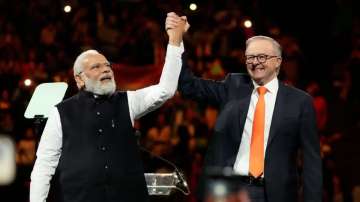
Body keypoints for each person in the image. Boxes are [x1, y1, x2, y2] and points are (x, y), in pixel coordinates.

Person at [166, 12, 322, 202]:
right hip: (231, 192)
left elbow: (312, 161)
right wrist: (177, 39)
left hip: (275, 195)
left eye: (262, 57)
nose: (255, 62)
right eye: (250, 57)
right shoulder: (233, 87)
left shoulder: (300, 102)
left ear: (278, 62)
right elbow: (188, 85)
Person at [30, 17, 189, 202]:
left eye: (107, 65)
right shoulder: (61, 112)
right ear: (80, 79)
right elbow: (44, 165)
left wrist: (175, 41)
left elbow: (166, 90)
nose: (106, 69)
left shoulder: (129, 101)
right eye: (96, 67)